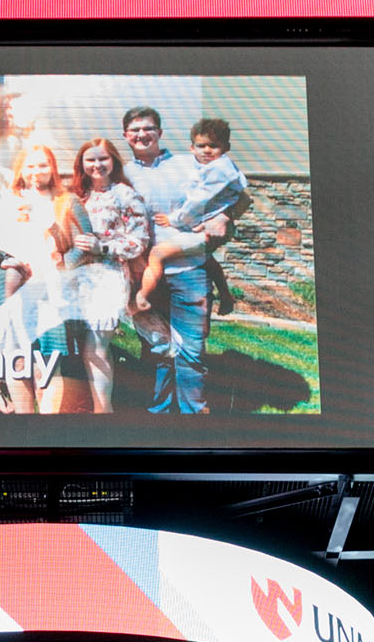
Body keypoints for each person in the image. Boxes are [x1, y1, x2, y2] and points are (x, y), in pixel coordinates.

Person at [121, 104, 229, 415]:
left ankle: (194, 415)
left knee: (191, 349)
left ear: (160, 132)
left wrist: (223, 216)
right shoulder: (123, 174)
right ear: (126, 136)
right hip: (144, 275)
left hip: (189, 271)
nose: (142, 134)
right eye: (135, 130)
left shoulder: (190, 163)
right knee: (155, 346)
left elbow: (232, 193)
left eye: (148, 128)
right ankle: (159, 413)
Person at [0, 145, 94, 413]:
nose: (36, 171)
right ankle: (23, 420)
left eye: (42, 165)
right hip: (8, 280)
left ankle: (46, 421)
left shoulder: (68, 201)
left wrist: (61, 262)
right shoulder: (6, 200)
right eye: (30, 166)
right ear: (20, 170)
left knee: (47, 357)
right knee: (16, 355)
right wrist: (16, 257)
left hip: (50, 283)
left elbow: (84, 244)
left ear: (52, 168)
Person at [135, 117, 246, 319]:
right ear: (192, 148)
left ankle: (142, 296)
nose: (206, 150)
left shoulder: (219, 169)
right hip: (204, 226)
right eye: (201, 146)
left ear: (226, 147)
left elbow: (197, 200)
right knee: (204, 258)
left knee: (157, 254)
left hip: (211, 227)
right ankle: (226, 295)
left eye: (214, 146)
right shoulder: (212, 166)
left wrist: (175, 219)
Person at [69, 137, 149, 413]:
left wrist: (102, 247)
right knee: (80, 343)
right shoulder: (78, 196)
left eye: (103, 158)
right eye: (90, 159)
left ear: (113, 160)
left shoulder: (125, 195)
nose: (97, 165)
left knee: (97, 343)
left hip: (109, 276)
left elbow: (139, 240)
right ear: (81, 164)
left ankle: (104, 411)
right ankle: (81, 404)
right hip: (76, 276)